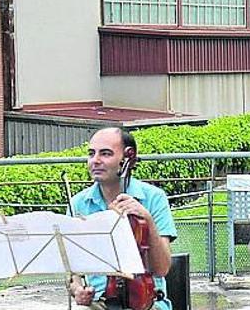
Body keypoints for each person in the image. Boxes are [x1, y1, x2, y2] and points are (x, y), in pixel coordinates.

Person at [67, 128, 178, 310]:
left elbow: (162, 269)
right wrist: (77, 289)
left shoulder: (154, 198)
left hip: (146, 301)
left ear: (126, 159)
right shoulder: (78, 204)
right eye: (91, 153)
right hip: (100, 300)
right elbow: (72, 269)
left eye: (106, 153)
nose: (95, 160)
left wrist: (147, 219)